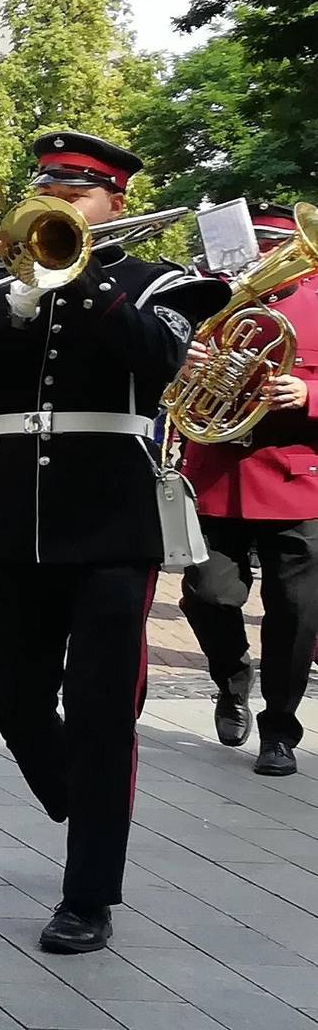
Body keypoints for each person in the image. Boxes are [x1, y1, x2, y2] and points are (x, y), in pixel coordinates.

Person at [0, 131, 225, 955]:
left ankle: (88, 892)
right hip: (16, 507)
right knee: (4, 687)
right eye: (48, 186)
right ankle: (73, 793)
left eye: (78, 190)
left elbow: (163, 357)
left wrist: (81, 275)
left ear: (115, 202)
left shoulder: (155, 281)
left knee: (101, 713)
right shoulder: (2, 283)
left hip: (110, 516)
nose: (58, 200)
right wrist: (12, 307)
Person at [178, 204, 318, 776]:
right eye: (252, 245)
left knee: (297, 609)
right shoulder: (208, 301)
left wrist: (309, 394)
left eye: (271, 246)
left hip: (294, 474)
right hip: (217, 471)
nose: (258, 257)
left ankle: (280, 726)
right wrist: (183, 367)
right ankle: (231, 678)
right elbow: (160, 367)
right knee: (207, 594)